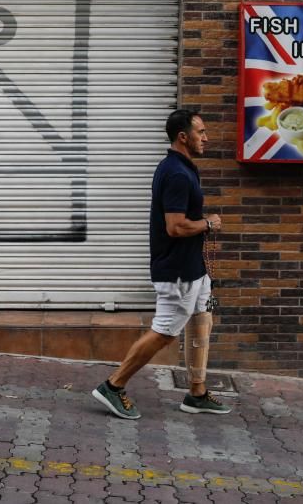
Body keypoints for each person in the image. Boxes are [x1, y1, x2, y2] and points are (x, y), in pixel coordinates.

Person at [92, 109, 231, 419]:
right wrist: (208, 224)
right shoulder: (178, 174)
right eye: (201, 132)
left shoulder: (183, 167)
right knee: (165, 332)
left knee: (201, 319)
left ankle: (197, 392)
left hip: (194, 268)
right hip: (177, 271)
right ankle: (113, 386)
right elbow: (176, 227)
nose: (206, 137)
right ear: (183, 136)